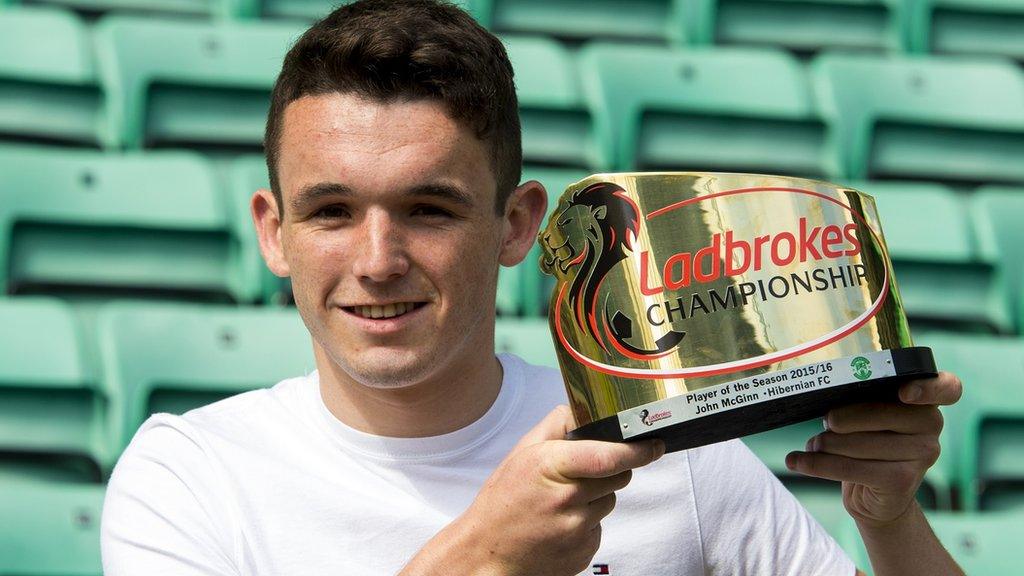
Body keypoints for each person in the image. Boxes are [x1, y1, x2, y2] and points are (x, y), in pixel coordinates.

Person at [100, 1, 964, 574]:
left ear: (517, 226)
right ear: (273, 231)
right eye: (330, 210)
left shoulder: (673, 448)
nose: (377, 258)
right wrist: (485, 555)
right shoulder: (192, 474)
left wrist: (887, 518)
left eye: (429, 209)